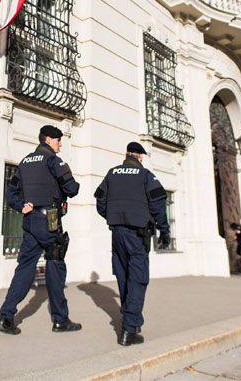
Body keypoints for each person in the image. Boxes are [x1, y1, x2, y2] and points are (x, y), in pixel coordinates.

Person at [0, 125, 81, 335]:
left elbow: (11, 192)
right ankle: (60, 320)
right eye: (58, 140)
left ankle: (6, 316)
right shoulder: (54, 161)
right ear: (49, 140)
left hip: (30, 221)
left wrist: (20, 206)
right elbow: (73, 189)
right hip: (50, 223)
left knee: (25, 268)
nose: (60, 144)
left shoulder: (25, 162)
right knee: (56, 267)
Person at [94, 142, 170, 346]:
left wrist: (114, 218)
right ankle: (129, 329)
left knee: (123, 275)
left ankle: (132, 320)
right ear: (139, 156)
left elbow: (100, 201)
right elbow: (158, 204)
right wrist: (164, 230)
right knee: (138, 279)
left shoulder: (112, 173)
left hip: (117, 233)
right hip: (138, 235)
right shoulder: (145, 175)